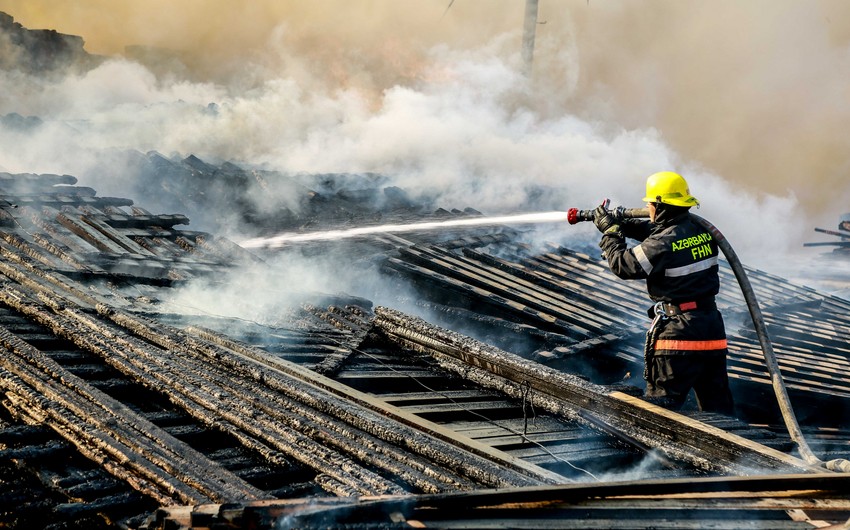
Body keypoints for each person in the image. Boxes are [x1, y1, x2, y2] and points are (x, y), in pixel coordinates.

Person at [593, 171, 735, 415]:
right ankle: (731, 440)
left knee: (661, 412)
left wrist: (611, 233)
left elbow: (623, 265)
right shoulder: (702, 230)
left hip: (678, 333)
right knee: (718, 409)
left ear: (659, 206)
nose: (647, 207)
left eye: (650, 204)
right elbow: (662, 234)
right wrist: (623, 224)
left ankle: (658, 443)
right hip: (711, 329)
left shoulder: (663, 243)